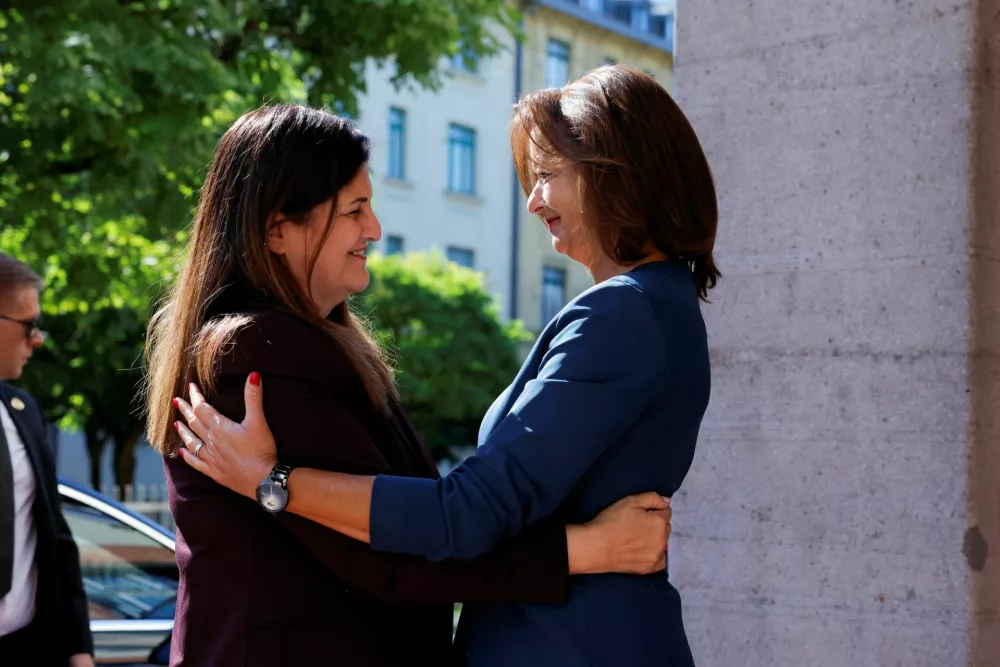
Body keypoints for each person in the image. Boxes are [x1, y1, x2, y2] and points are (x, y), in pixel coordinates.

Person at [175, 65, 718, 666]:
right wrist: (583, 549)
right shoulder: (257, 355)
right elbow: (431, 530)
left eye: (547, 176)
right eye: (355, 211)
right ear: (278, 230)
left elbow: (459, 515)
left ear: (614, 175)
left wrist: (272, 481)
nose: (534, 200)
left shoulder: (623, 314)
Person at [0, 253, 95, 667]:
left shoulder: (23, 410)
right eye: (29, 325)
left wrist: (78, 650)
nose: (37, 339)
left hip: (27, 649)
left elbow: (54, 538)